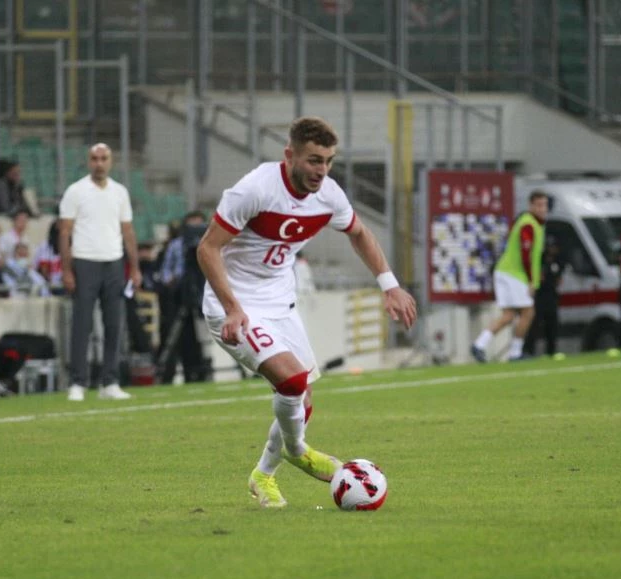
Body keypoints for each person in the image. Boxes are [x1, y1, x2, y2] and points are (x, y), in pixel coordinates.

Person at [196, 116, 417, 508]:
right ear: (290, 155)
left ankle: (263, 475)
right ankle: (298, 452)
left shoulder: (328, 195)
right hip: (235, 305)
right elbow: (207, 249)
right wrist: (232, 309)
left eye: (329, 161)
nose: (322, 171)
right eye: (314, 160)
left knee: (304, 395)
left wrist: (390, 284)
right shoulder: (254, 189)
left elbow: (360, 232)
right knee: (293, 381)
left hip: (281, 303)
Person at [59, 143, 141, 401]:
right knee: (82, 324)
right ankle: (78, 382)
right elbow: (64, 231)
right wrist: (67, 270)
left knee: (114, 325)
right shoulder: (76, 191)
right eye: (95, 158)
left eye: (104, 158)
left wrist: (135, 267)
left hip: (114, 262)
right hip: (85, 261)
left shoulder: (120, 192)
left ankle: (110, 381)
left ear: (111, 161)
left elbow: (128, 231)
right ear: (88, 161)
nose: (99, 163)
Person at [471, 190, 548, 362]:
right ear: (531, 206)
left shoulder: (529, 223)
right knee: (528, 312)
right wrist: (530, 280)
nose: (543, 209)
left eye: (545, 205)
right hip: (514, 274)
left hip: (505, 271)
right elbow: (525, 253)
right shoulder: (528, 225)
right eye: (539, 205)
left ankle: (479, 345)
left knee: (509, 315)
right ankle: (515, 353)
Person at [156, 210, 209, 384]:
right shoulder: (176, 245)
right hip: (180, 293)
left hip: (204, 290)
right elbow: (165, 270)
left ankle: (203, 367)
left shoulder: (211, 241)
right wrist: (170, 279)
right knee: (181, 335)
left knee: (207, 333)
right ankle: (170, 373)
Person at [523, 235, 564, 357]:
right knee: (535, 325)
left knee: (552, 325)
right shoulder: (540, 260)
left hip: (552, 296)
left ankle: (551, 351)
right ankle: (529, 351)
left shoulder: (558, 261)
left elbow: (559, 280)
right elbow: (539, 278)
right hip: (540, 296)